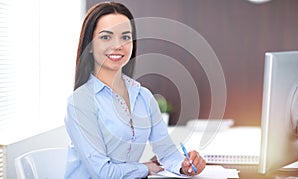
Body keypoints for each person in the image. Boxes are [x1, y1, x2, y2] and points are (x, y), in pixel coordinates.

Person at [64, 2, 206, 178]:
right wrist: (146, 168)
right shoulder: (80, 102)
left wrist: (185, 165)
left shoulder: (143, 96)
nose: (118, 45)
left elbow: (167, 153)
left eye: (125, 37)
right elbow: (102, 173)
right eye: (106, 37)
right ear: (90, 46)